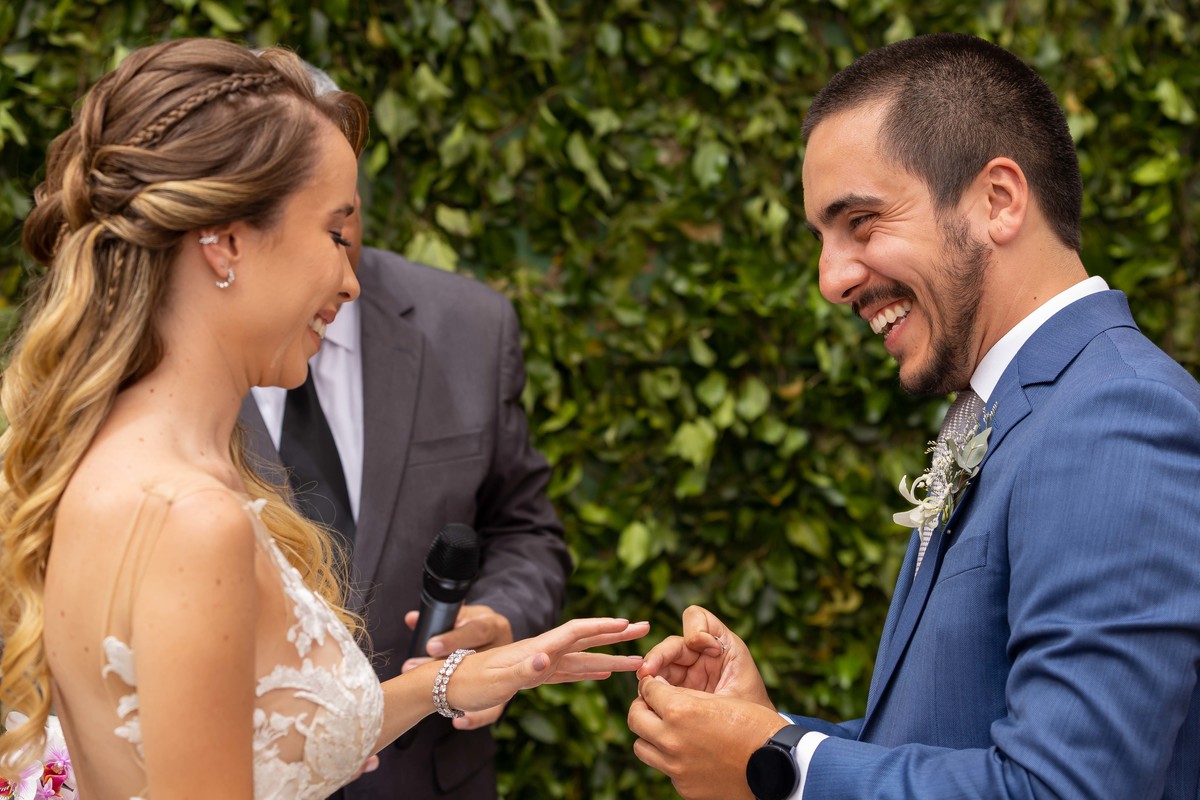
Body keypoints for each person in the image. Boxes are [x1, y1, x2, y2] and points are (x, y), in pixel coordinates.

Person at [0, 38, 648, 799]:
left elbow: (254, 736)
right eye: (333, 232)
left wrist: (447, 682)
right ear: (226, 240)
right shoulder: (195, 518)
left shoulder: (103, 463)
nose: (349, 279)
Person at [628, 32, 1200, 799]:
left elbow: (1063, 789)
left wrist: (781, 768)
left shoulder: (1115, 418)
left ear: (998, 200)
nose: (831, 280)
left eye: (860, 222)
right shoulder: (1015, 411)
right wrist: (765, 732)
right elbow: (948, 745)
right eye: (822, 239)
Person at [239, 64, 571, 799]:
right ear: (239, 225)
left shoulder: (469, 327)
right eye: (324, 224)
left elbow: (525, 528)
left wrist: (495, 622)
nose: (346, 257)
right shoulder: (159, 385)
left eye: (348, 214)